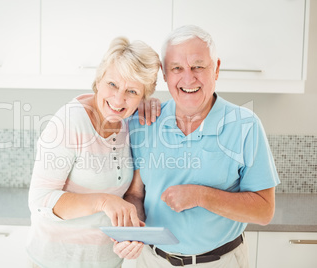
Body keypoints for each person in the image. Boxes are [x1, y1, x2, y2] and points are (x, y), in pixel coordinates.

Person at [113, 25, 280, 267]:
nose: (188, 78)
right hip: (150, 261)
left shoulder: (245, 126)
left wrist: (202, 196)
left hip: (221, 261)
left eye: (198, 67)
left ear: (217, 69)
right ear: (165, 74)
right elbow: (135, 194)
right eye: (177, 68)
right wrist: (132, 230)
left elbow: (264, 211)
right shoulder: (143, 123)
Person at [26, 36, 160, 268]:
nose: (119, 99)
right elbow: (39, 200)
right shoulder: (69, 122)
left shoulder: (132, 125)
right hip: (54, 261)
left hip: (107, 262)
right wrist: (103, 202)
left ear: (143, 97)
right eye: (112, 84)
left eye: (132, 91)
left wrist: (130, 234)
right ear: (99, 80)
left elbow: (131, 196)